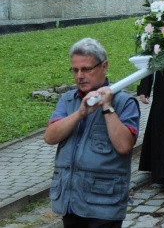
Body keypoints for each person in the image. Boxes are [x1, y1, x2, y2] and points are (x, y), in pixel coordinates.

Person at [45, 38, 140, 227]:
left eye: (86, 69)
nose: (80, 76)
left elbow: (124, 146)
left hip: (105, 204)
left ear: (104, 67)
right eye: (75, 70)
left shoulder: (124, 102)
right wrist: (80, 114)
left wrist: (107, 108)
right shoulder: (68, 100)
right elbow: (50, 137)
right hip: (70, 202)